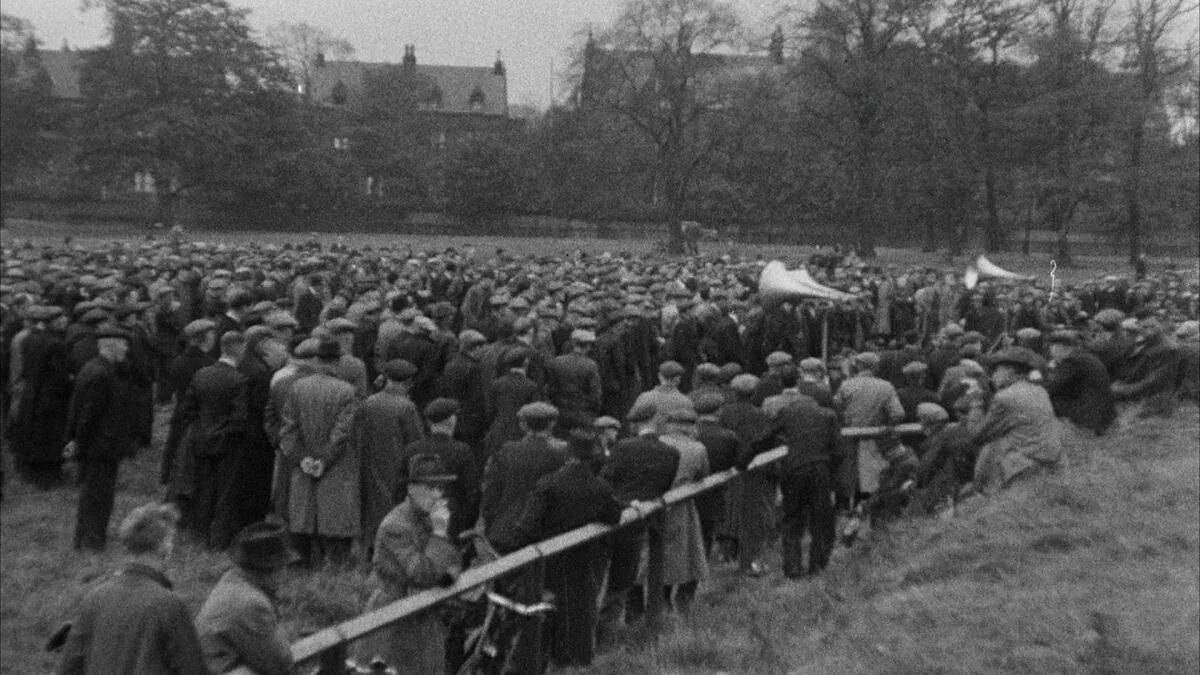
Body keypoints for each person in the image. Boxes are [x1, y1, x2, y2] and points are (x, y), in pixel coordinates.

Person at [496, 424, 623, 668]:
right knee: (578, 617)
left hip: (548, 564)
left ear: (568, 453)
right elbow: (614, 516)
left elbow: (527, 526)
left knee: (540, 616)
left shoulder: (549, 484)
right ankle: (573, 664)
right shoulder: (600, 488)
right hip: (583, 564)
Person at [56, 502, 208, 675]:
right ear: (164, 546)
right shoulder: (169, 605)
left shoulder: (94, 598)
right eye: (171, 540)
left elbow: (67, 668)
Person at [353, 454, 463, 674]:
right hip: (394, 616)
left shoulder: (430, 518)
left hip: (422, 614)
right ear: (411, 488)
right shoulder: (396, 526)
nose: (437, 494)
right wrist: (440, 535)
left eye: (441, 488)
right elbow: (422, 573)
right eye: (430, 487)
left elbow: (452, 567)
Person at [597, 404, 679, 637]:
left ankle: (597, 630)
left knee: (599, 574)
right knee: (623, 577)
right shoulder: (671, 453)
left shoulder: (623, 448)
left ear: (635, 424)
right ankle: (609, 629)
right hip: (642, 521)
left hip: (613, 518)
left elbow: (605, 481)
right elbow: (664, 487)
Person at [279, 338, 361, 567]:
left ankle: (303, 566)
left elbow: (287, 431)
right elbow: (341, 433)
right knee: (334, 520)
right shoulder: (347, 391)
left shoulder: (297, 387)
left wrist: (302, 459)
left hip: (302, 464)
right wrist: (323, 460)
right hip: (336, 465)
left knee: (303, 517)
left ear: (316, 359)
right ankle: (335, 568)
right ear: (338, 361)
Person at [748, 385, 841, 578]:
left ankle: (793, 569)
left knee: (792, 519)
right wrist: (831, 473)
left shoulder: (787, 413)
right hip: (821, 470)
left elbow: (764, 437)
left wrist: (744, 460)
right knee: (820, 520)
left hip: (794, 470)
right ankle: (818, 566)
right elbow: (839, 451)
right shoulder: (829, 415)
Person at [64, 325, 141, 551]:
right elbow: (88, 416)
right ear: (111, 345)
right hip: (101, 447)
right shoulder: (101, 374)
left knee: (92, 495)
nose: (126, 348)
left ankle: (86, 540)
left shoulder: (94, 368)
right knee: (98, 497)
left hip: (97, 446)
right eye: (123, 344)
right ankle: (92, 542)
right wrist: (80, 445)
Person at [171, 330, 249, 547]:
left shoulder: (201, 374)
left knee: (203, 488)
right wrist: (227, 434)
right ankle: (220, 540)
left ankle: (200, 533)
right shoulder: (238, 380)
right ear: (240, 349)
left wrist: (200, 431)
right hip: (227, 444)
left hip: (200, 440)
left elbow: (186, 410)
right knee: (224, 492)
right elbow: (239, 418)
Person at [195, 521, 297, 675]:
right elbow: (280, 664)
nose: (286, 573)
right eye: (284, 566)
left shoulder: (232, 580)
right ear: (275, 569)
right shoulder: (252, 604)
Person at [971, 347, 1064, 494]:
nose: (993, 376)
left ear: (1009, 371)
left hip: (1026, 461)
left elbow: (977, 435)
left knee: (986, 447)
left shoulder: (1005, 397)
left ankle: (978, 492)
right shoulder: (1039, 390)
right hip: (1051, 456)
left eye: (996, 370)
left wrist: (976, 402)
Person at [355, 359, 426, 552]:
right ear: (409, 382)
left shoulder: (369, 402)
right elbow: (416, 443)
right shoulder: (406, 406)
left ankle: (371, 549)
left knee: (372, 509)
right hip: (396, 467)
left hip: (369, 465)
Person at [400, 398, 481, 541]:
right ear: (451, 420)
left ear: (430, 423)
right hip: (452, 524)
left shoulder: (411, 449)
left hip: (418, 522)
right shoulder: (462, 451)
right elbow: (473, 493)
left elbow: (400, 489)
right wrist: (467, 524)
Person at [655, 407, 710, 611]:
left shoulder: (658, 444)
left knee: (657, 551)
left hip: (658, 502)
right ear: (690, 426)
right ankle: (684, 599)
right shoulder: (697, 448)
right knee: (689, 553)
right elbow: (703, 474)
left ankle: (661, 598)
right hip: (683, 505)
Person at [1044, 329, 1114, 436]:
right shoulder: (1083, 356)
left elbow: (1051, 388)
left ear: (1058, 347)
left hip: (1089, 416)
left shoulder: (1071, 361)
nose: (1051, 353)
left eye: (1051, 349)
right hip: (1103, 412)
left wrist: (1047, 373)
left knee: (1044, 399)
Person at [546, 329, 603, 419]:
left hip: (561, 412)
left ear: (573, 343)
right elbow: (595, 395)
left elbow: (551, 390)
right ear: (588, 346)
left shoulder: (557, 362)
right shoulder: (591, 365)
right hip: (583, 413)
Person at [627, 360, 694, 430]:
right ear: (678, 379)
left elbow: (633, 423)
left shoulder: (645, 397)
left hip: (649, 438)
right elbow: (691, 427)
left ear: (660, 376)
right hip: (676, 438)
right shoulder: (685, 401)